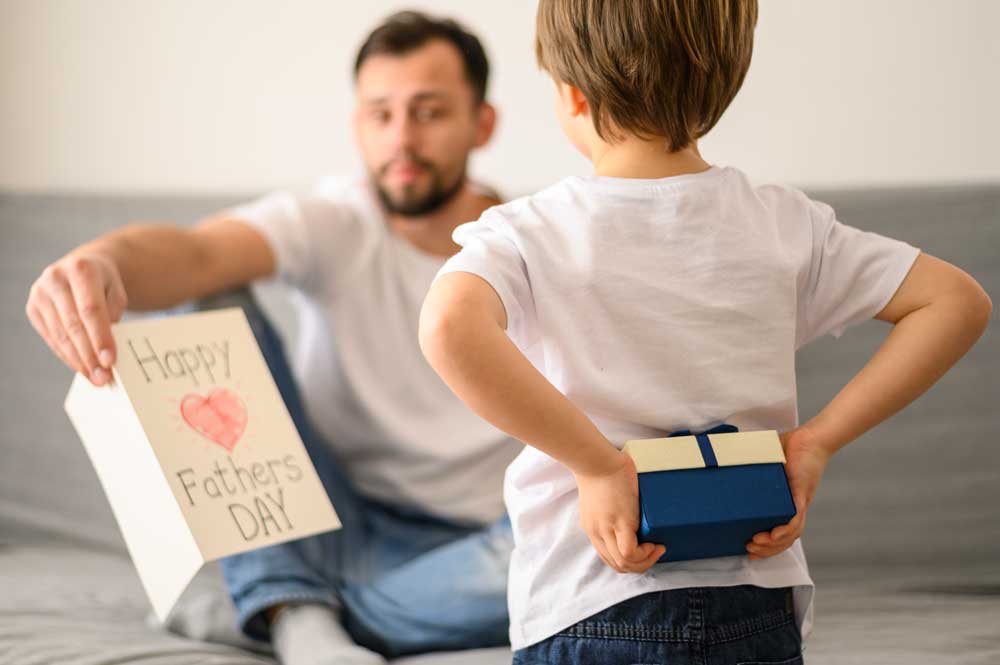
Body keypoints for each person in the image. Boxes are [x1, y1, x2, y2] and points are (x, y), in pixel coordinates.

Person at [418, 1, 993, 664]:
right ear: (723, 83)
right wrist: (815, 444)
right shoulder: (782, 223)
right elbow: (957, 301)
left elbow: (448, 325)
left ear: (572, 95)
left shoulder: (531, 233)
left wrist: (597, 465)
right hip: (755, 599)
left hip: (589, 594)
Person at [25, 11, 518, 665]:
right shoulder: (336, 220)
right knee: (206, 302)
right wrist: (102, 262)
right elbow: (198, 254)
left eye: (428, 113)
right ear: (357, 125)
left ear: (482, 124)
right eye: (380, 114)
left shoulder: (529, 242)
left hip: (478, 543)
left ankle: (278, 607)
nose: (401, 138)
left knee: (577, 553)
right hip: (322, 516)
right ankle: (300, 605)